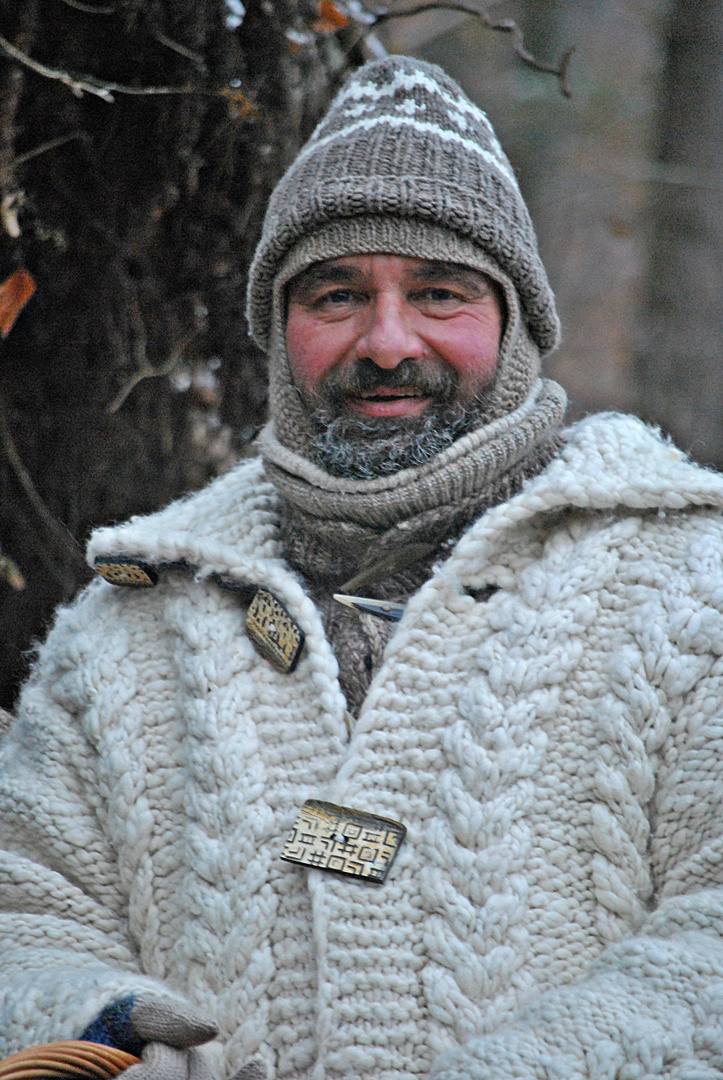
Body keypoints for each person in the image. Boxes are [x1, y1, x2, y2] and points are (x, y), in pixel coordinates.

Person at [3, 53, 723, 1080]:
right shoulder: (131, 620)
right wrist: (99, 1023)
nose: (388, 342)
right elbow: (21, 910)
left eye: (439, 293)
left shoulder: (692, 582)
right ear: (275, 332)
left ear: (518, 324)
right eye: (337, 295)